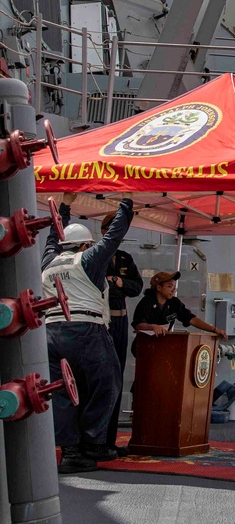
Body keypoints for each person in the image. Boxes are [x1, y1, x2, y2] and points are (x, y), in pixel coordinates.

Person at [40, 198, 135, 473]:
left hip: (51, 333)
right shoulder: (89, 259)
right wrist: (126, 207)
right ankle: (93, 442)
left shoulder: (49, 260)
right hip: (87, 329)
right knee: (108, 384)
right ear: (85, 245)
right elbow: (114, 236)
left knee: (62, 392)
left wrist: (64, 209)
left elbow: (52, 235)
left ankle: (70, 452)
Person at [100, 209, 143, 450]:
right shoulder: (94, 256)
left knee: (116, 377)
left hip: (119, 322)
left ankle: (108, 440)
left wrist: (119, 282)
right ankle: (93, 440)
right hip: (100, 323)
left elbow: (137, 287)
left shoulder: (125, 259)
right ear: (105, 232)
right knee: (101, 379)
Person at [132, 271, 223, 338]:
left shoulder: (174, 303)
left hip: (164, 344)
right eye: (169, 286)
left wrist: (214, 329)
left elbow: (192, 319)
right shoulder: (146, 302)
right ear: (159, 287)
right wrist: (153, 327)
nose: (173, 290)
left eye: (174, 287)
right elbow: (138, 325)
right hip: (144, 345)